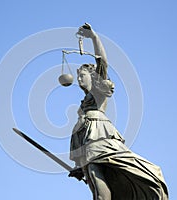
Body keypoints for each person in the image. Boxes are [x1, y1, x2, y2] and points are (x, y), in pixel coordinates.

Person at [68, 23, 169, 200]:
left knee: (101, 194)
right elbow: (79, 133)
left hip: (101, 142)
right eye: (77, 76)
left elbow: (103, 62)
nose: (78, 79)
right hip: (88, 147)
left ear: (92, 76)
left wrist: (94, 38)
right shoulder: (83, 107)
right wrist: (78, 166)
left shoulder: (98, 92)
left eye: (81, 76)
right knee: (97, 190)